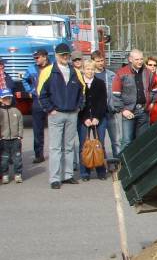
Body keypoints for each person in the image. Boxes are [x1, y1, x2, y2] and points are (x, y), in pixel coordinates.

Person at [38, 42, 84, 189]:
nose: (65, 57)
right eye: (62, 55)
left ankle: (68, 175)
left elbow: (82, 91)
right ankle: (55, 178)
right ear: (57, 55)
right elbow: (41, 93)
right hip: (56, 113)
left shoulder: (74, 71)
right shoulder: (48, 71)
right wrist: (50, 109)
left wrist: (78, 107)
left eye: (67, 54)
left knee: (69, 146)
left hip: (72, 113)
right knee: (56, 147)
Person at [112, 49, 156, 151]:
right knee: (127, 141)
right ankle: (123, 165)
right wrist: (123, 110)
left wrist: (152, 103)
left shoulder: (148, 72)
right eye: (137, 59)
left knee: (142, 141)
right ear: (130, 59)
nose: (140, 61)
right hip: (128, 111)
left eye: (141, 59)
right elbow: (115, 94)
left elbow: (154, 89)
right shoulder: (121, 73)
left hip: (144, 111)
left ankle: (141, 165)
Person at [77, 59, 107, 181]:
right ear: (83, 69)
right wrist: (85, 119)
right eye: (88, 69)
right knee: (84, 146)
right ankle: (85, 172)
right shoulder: (79, 83)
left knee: (99, 145)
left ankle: (101, 171)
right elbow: (78, 102)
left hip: (98, 118)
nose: (90, 71)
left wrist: (97, 117)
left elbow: (102, 102)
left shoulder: (100, 83)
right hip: (83, 118)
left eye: (92, 69)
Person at [21, 48, 50, 163]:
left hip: (50, 100)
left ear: (44, 57)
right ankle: (39, 154)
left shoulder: (52, 68)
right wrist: (31, 90)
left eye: (37, 57)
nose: (35, 59)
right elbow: (24, 80)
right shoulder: (31, 68)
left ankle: (57, 153)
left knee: (56, 129)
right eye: (34, 57)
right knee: (37, 130)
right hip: (37, 101)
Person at [92, 50, 122, 158]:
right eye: (98, 61)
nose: (100, 63)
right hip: (97, 115)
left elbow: (117, 93)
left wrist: (117, 106)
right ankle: (103, 164)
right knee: (100, 142)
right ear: (93, 61)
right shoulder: (91, 76)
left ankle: (118, 162)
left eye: (102, 60)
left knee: (116, 140)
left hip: (110, 112)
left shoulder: (111, 75)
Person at [0, 88, 24, 183]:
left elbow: (20, 123)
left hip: (15, 139)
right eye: (5, 98)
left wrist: (20, 136)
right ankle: (5, 174)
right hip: (4, 139)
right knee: (4, 159)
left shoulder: (16, 111)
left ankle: (18, 174)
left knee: (17, 158)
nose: (8, 100)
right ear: (1, 99)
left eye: (9, 98)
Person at [145, 57, 157, 124]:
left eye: (154, 65)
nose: (152, 67)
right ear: (146, 65)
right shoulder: (141, 79)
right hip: (144, 114)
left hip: (156, 113)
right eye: (150, 65)